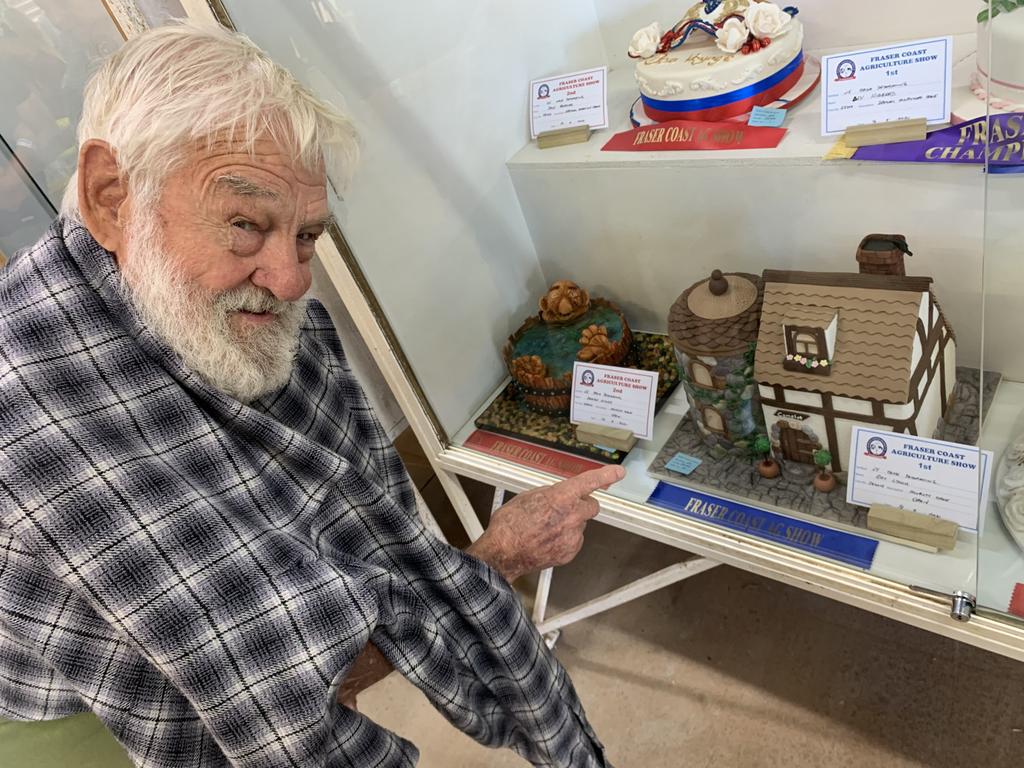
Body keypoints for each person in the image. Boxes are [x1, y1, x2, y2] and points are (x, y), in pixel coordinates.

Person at [0, 22, 622, 768]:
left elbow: (356, 549)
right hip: (78, 721)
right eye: (244, 224)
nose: (293, 279)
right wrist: (493, 559)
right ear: (111, 198)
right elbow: (275, 701)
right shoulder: (36, 428)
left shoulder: (228, 318)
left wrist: (469, 570)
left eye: (307, 237)